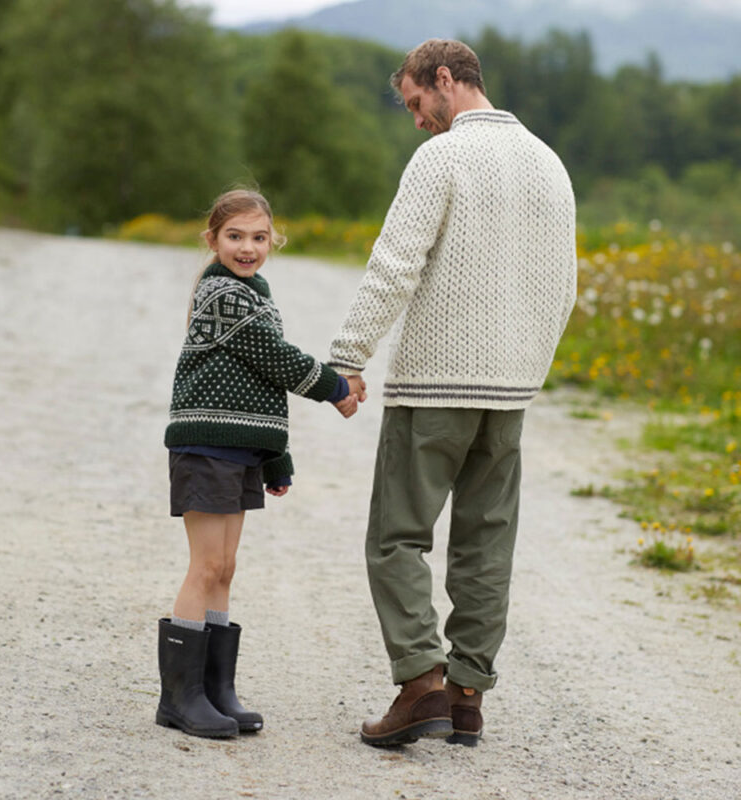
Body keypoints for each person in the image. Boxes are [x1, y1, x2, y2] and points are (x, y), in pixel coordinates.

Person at [328, 39, 577, 747]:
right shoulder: (550, 166)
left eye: (415, 103)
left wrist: (347, 356)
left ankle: (421, 685)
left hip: (434, 385)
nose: (415, 120)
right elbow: (565, 291)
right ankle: (467, 697)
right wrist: (526, 369)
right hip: (508, 395)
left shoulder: (442, 158)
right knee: (485, 546)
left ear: (445, 79)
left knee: (396, 537)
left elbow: (394, 264)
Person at [157, 189, 360, 739]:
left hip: (240, 447)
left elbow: (260, 392)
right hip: (205, 444)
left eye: (258, 237)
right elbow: (276, 361)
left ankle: (216, 688)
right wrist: (337, 386)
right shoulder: (222, 293)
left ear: (273, 240)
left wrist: (276, 459)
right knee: (205, 567)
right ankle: (180, 697)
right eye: (235, 236)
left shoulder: (258, 293)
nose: (248, 248)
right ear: (213, 240)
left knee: (226, 567)